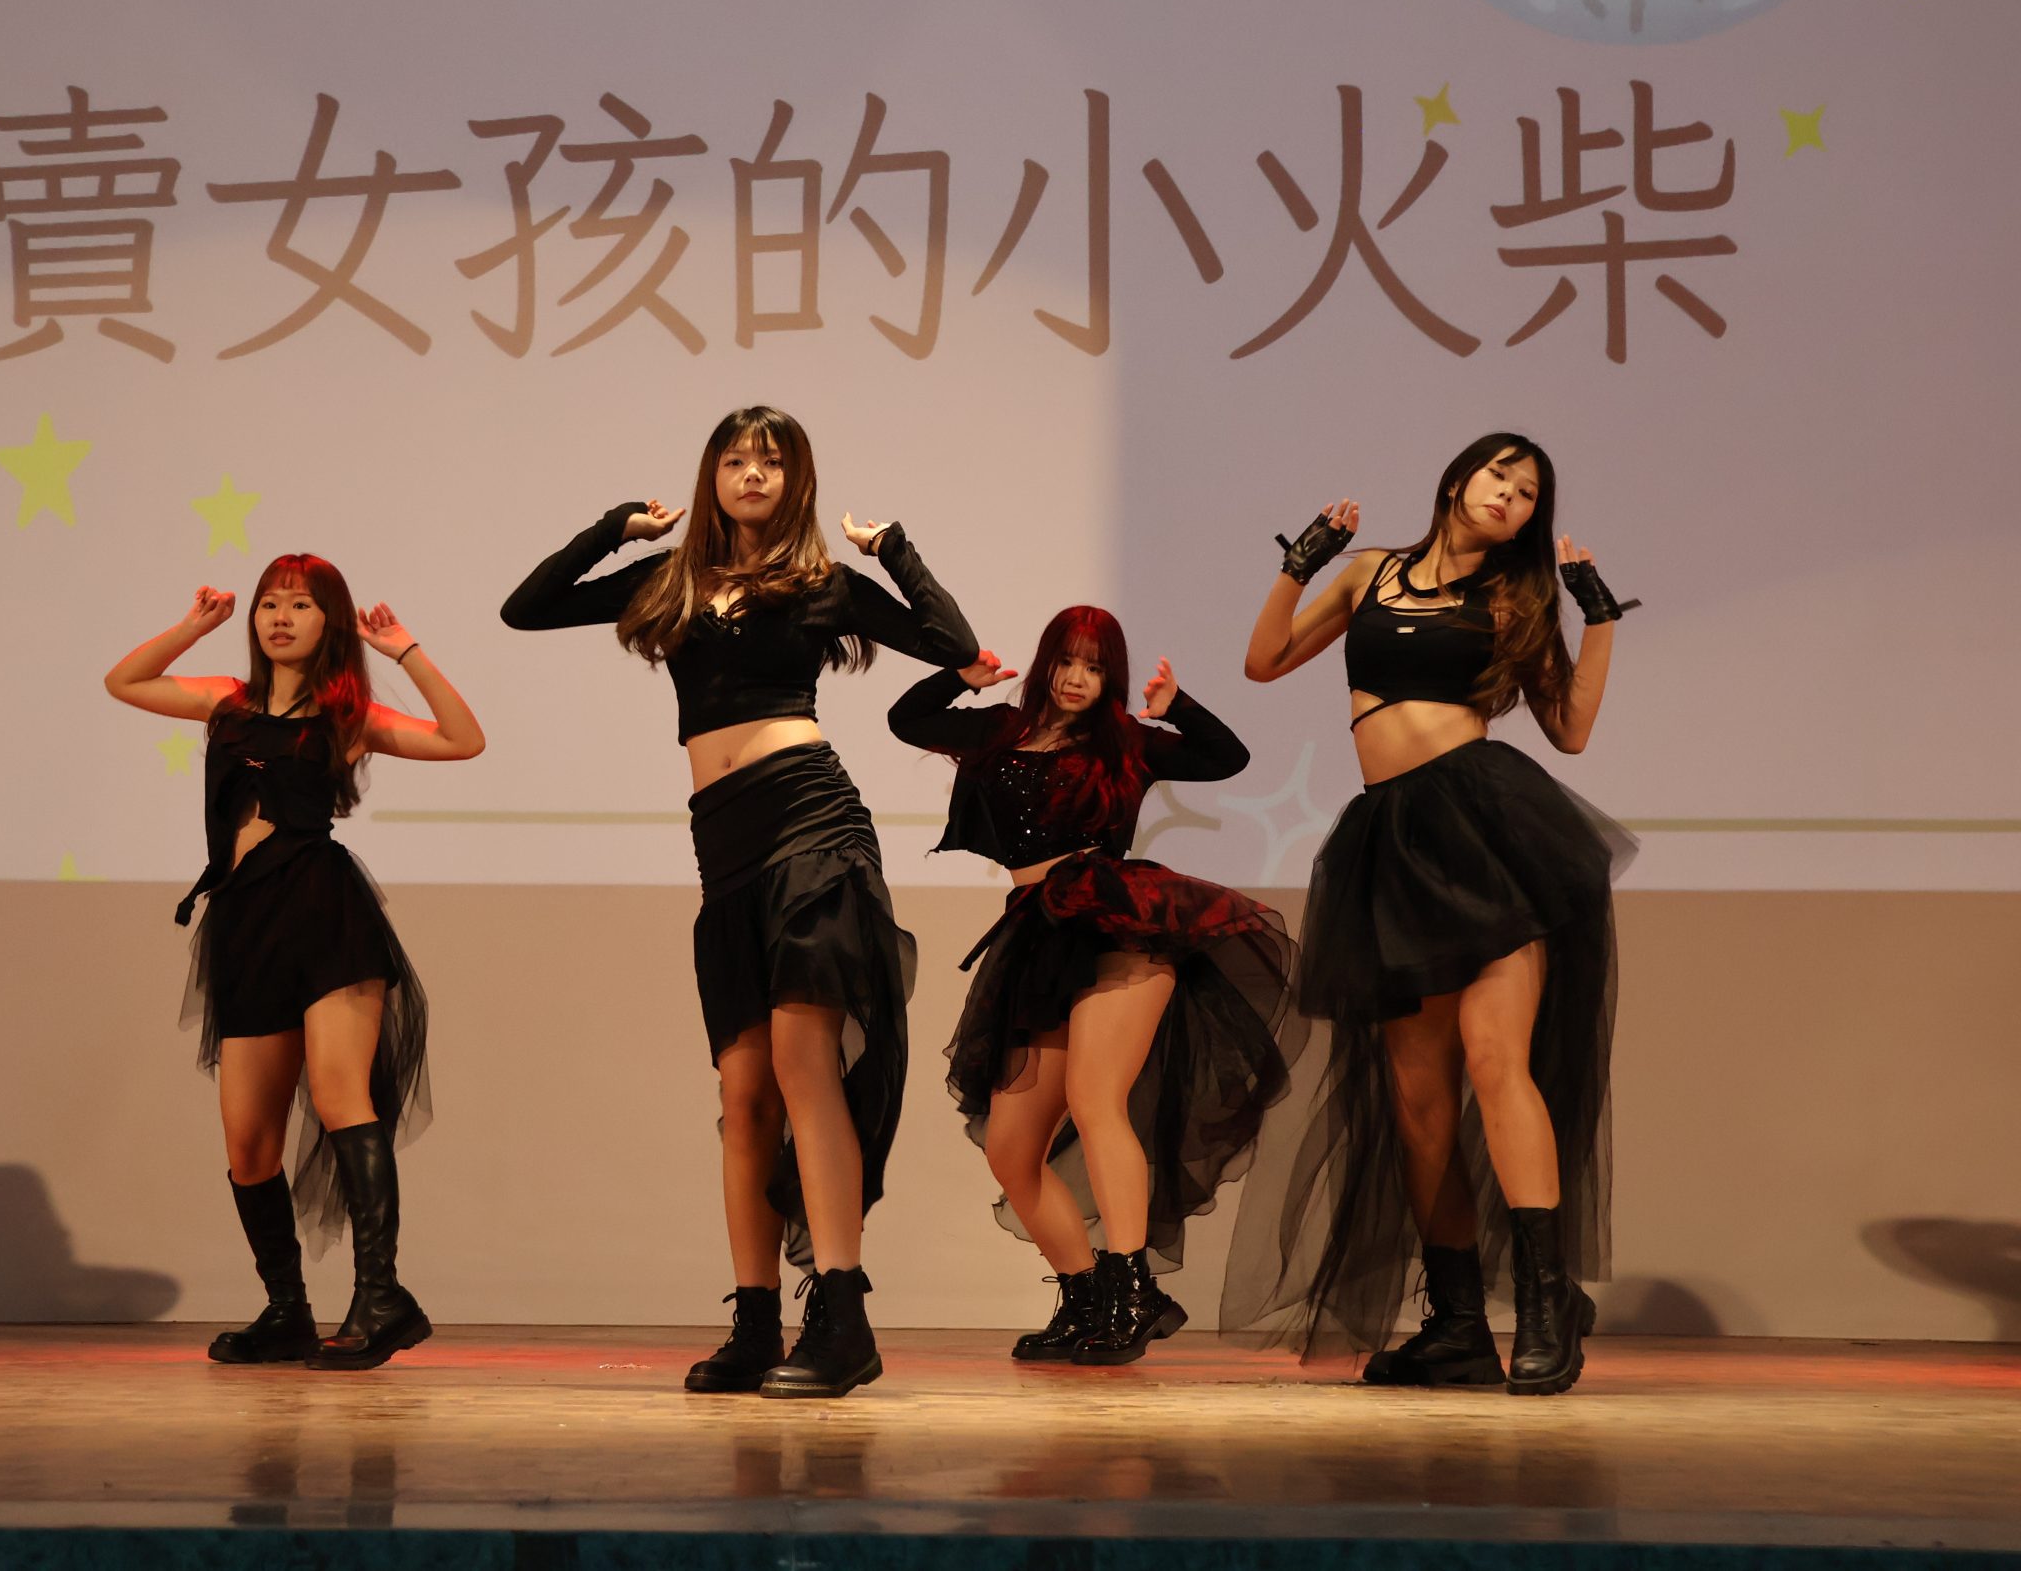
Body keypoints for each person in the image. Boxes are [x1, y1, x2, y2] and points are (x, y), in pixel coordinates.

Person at [501, 405, 977, 1398]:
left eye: (771, 460)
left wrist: (894, 548)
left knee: (806, 1067)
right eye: (734, 458)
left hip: (812, 826)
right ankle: (756, 1321)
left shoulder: (824, 584)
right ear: (710, 476)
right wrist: (613, 528)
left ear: (796, 481)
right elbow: (527, 608)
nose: (751, 473)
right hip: (722, 851)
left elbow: (950, 641)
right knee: (743, 1096)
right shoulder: (667, 579)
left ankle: (841, 1317)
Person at [1224, 433, 1636, 1395]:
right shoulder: (1369, 573)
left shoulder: (1514, 600)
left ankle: (1545, 1305)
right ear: (1457, 480)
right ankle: (1456, 1326)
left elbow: (1570, 730)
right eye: (1500, 475)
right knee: (1418, 1102)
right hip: (1389, 840)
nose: (1510, 496)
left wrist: (1599, 619)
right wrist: (1299, 565)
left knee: (1496, 1062)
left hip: (1483, 826)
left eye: (1527, 492)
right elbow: (1263, 660)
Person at [890, 607, 1299, 1364]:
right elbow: (907, 719)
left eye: (1096, 665)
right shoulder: (999, 730)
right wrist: (961, 677)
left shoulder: (1127, 742)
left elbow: (1226, 757)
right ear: (1047, 662)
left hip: (1118, 920)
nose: (1078, 677)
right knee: (1011, 1148)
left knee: (1095, 1096)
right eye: (1068, 661)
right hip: (1037, 933)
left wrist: (1177, 706)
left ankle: (1133, 1290)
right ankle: (1085, 1299)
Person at [105, 554, 484, 1370]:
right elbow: (124, 681)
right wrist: (193, 625)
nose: (280, 617)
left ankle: (381, 1296)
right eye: (270, 603)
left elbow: (464, 739)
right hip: (243, 921)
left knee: (342, 1094)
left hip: (323, 913)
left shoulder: (346, 717)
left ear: (330, 622)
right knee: (248, 1143)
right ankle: (287, 1310)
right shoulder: (226, 701)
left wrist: (407, 651)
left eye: (302, 605)